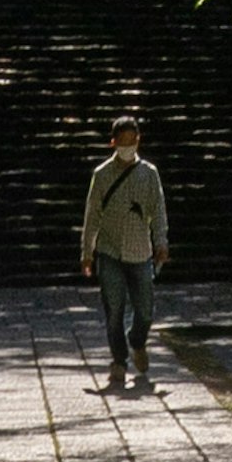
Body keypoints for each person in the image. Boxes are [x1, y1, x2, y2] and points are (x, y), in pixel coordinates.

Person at [79, 112, 169, 387]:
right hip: (110, 252)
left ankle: (137, 341)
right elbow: (92, 214)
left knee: (145, 310)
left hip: (141, 251)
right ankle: (119, 360)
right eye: (122, 141)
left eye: (132, 141)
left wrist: (161, 241)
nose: (127, 146)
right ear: (113, 142)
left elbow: (158, 209)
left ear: (138, 141)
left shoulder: (149, 174)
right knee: (114, 310)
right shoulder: (102, 174)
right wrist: (87, 251)